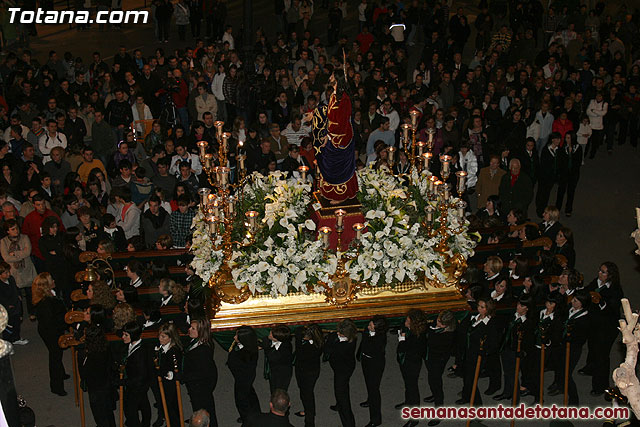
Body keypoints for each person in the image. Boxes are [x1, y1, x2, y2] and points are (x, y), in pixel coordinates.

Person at [306, 68, 358, 204]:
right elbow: (328, 113)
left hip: (340, 138)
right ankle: (330, 192)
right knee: (327, 161)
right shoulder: (335, 96)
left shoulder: (344, 99)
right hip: (332, 135)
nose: (330, 77)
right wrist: (315, 114)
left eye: (332, 75)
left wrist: (328, 136)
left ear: (337, 79)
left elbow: (341, 123)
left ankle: (340, 196)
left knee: (335, 166)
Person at [583, 262, 623, 395]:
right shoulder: (597, 282)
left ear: (610, 275)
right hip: (595, 323)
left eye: (603, 272)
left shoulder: (615, 290)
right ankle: (590, 367)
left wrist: (600, 302)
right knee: (592, 345)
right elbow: (588, 290)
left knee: (602, 355)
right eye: (599, 270)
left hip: (607, 328)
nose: (599, 273)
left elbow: (612, 310)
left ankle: (600, 386)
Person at [457, 298, 500, 406]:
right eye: (479, 306)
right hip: (468, 352)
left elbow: (493, 344)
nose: (479, 309)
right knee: (466, 376)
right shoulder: (474, 318)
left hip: (477, 356)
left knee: (472, 379)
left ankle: (477, 405)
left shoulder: (490, 324)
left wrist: (484, 352)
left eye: (482, 307)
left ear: (488, 309)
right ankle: (466, 396)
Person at [32, 272, 68, 396]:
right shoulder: (46, 303)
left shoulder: (49, 296)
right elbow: (51, 321)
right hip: (51, 332)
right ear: (47, 285)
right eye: (51, 279)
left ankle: (61, 374)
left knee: (57, 354)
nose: (54, 280)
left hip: (52, 329)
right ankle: (56, 386)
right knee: (55, 356)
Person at [79, 325, 116, 427]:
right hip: (106, 384)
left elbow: (83, 372)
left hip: (95, 389)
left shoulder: (86, 355)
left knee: (99, 414)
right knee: (108, 412)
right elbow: (111, 365)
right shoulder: (106, 347)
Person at [423, 310, 456, 426]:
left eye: (441, 323)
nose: (437, 324)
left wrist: (431, 331)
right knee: (432, 379)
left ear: (447, 325)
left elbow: (430, 340)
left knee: (436, 382)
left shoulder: (447, 335)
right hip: (431, 357)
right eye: (438, 320)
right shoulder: (437, 327)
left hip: (438, 360)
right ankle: (434, 395)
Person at [395, 309, 427, 427]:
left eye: (408, 320)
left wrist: (402, 339)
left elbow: (405, 348)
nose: (406, 321)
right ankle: (407, 402)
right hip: (406, 362)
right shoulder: (412, 330)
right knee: (407, 384)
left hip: (412, 364)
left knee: (412, 388)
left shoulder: (417, 337)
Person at [184, 318, 218, 427]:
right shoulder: (197, 342)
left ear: (201, 332)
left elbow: (202, 373)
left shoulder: (203, 351)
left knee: (205, 410)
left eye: (193, 328)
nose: (189, 329)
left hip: (201, 386)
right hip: (198, 385)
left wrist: (182, 376)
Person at [0, 219, 36, 321]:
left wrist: (15, 254)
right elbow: (6, 258)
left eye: (17, 228)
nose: (16, 231)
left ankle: (32, 312)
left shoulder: (25, 238)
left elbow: (27, 252)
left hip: (27, 270)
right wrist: (21, 253)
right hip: (14, 272)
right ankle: (19, 314)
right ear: (8, 231)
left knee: (30, 293)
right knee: (17, 295)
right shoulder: (3, 242)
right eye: (13, 229)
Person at [324, 318, 357, 427]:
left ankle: (349, 423)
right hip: (341, 366)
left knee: (342, 395)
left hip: (343, 370)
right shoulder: (348, 338)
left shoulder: (346, 345)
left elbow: (330, 350)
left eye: (340, 332)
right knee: (341, 390)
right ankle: (339, 405)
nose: (337, 333)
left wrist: (329, 340)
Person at [227, 325, 261, 424]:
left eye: (237, 336)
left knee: (241, 400)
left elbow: (234, 363)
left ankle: (247, 421)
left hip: (243, 378)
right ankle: (255, 414)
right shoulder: (250, 346)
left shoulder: (245, 354)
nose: (234, 337)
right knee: (250, 394)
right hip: (246, 377)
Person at [121, 321, 152, 427]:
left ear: (133, 335)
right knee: (144, 404)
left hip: (137, 386)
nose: (123, 337)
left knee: (131, 409)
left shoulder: (139, 353)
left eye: (126, 335)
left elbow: (140, 376)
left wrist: (124, 382)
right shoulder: (134, 345)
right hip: (137, 384)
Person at [358, 315, 387, 427]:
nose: (368, 326)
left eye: (371, 325)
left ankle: (376, 419)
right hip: (366, 360)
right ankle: (369, 400)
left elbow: (372, 348)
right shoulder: (368, 331)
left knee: (374, 389)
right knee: (368, 383)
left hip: (375, 364)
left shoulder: (379, 339)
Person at [293, 324, 323, 427]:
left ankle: (310, 421)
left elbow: (297, 332)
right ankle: (308, 410)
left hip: (305, 372)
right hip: (314, 370)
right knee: (306, 392)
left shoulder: (303, 347)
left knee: (307, 395)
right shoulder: (319, 342)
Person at [155, 322, 184, 427]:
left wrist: (164, 373)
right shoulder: (162, 348)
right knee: (166, 404)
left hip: (170, 384)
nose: (159, 338)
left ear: (170, 337)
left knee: (171, 405)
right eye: (159, 335)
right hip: (164, 381)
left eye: (163, 336)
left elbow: (173, 369)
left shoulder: (173, 351)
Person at [0, 261, 26, 345]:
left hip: (16, 304)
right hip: (8, 308)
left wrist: (19, 294)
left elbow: (16, 287)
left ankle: (16, 338)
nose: (8, 274)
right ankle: (8, 342)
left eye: (8, 272)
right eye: (6, 273)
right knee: (8, 327)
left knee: (17, 323)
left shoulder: (11, 279)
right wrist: (8, 305)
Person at [263, 324, 294, 393]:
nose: (269, 334)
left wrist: (266, 347)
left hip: (281, 372)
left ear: (276, 339)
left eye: (271, 334)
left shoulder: (285, 349)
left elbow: (271, 356)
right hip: (273, 368)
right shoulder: (268, 339)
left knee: (278, 391)